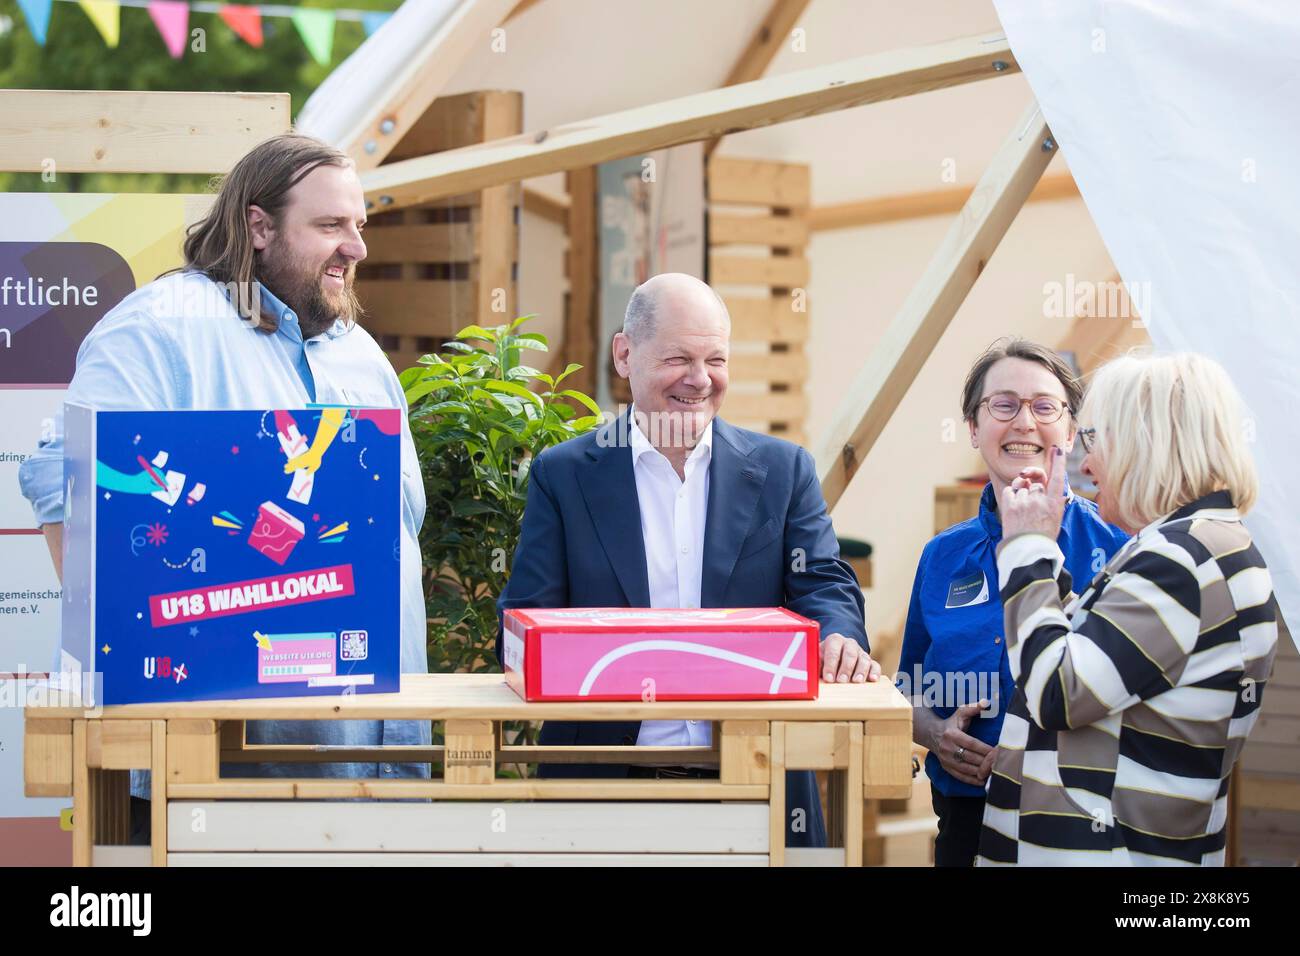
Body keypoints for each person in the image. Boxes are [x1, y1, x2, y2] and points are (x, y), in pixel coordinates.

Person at [17, 133, 431, 840]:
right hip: (222, 772)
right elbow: (68, 484)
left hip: (382, 760)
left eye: (360, 225)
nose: (356, 248)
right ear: (258, 226)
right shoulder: (163, 329)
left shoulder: (359, 354)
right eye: (331, 226)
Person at [498, 272, 876, 848]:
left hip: (759, 790)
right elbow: (525, 618)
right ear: (625, 355)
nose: (700, 381)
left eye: (716, 360)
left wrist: (839, 636)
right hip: (601, 799)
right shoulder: (564, 475)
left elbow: (823, 584)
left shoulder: (783, 470)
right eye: (679, 358)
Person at [977, 352, 1279, 865]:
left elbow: (1057, 693)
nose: (1086, 463)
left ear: (1146, 441)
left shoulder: (1180, 560)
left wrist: (1026, 550)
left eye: (1094, 439)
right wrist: (1047, 552)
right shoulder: (1201, 543)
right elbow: (1109, 662)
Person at [897, 338, 1129, 866]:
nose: (1024, 421)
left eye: (1044, 407)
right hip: (963, 815)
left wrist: (1029, 757)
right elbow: (906, 686)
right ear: (974, 428)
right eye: (1003, 405)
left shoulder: (1116, 547)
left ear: (1070, 432)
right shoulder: (941, 557)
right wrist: (933, 733)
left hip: (1078, 822)